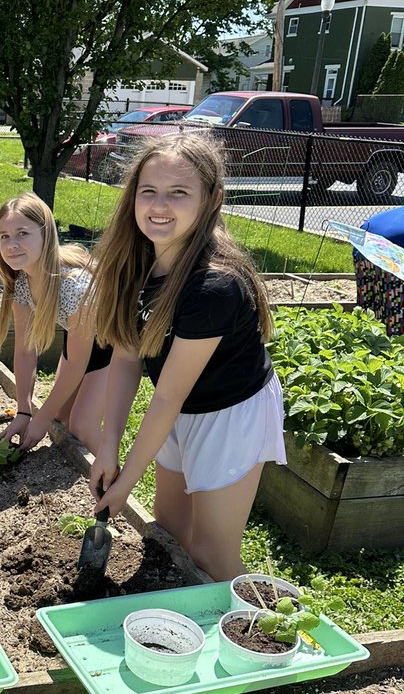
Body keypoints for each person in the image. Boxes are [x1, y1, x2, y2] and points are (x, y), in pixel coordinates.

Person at [85, 134, 285, 581]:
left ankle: (268, 634)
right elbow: (126, 360)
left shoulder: (214, 286)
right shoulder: (137, 261)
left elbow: (167, 397)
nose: (160, 205)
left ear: (212, 200)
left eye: (179, 193)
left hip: (231, 413)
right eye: (149, 191)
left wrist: (127, 480)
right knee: (171, 533)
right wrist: (109, 446)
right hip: (183, 408)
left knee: (211, 554)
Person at [0, 192, 111, 454]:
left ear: (46, 235)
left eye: (22, 233)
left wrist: (41, 417)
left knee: (83, 425)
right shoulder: (22, 283)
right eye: (4, 236)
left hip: (115, 345)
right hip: (78, 340)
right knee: (62, 419)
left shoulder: (74, 287)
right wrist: (24, 409)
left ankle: (112, 485)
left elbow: (78, 363)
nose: (12, 244)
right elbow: (24, 350)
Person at [352, 205, 404, 336]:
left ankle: (365, 337)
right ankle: (393, 344)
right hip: (393, 258)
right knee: (396, 318)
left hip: (364, 249)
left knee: (368, 307)